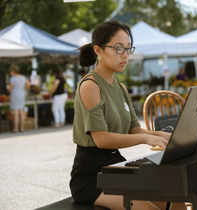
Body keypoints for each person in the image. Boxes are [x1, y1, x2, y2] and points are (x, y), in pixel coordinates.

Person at [70, 20, 187, 210]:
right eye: (118, 49)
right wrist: (146, 139)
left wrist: (173, 137)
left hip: (115, 167)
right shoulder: (90, 85)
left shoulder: (121, 88)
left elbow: (134, 129)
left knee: (176, 200)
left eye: (128, 49)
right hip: (91, 176)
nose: (125, 55)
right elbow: (102, 140)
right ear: (98, 50)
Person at [8, 64, 30, 132]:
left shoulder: (13, 78)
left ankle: (16, 128)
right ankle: (22, 127)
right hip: (22, 94)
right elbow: (28, 84)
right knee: (21, 111)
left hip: (15, 94)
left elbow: (10, 89)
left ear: (12, 71)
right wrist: (24, 88)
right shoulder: (23, 77)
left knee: (16, 112)